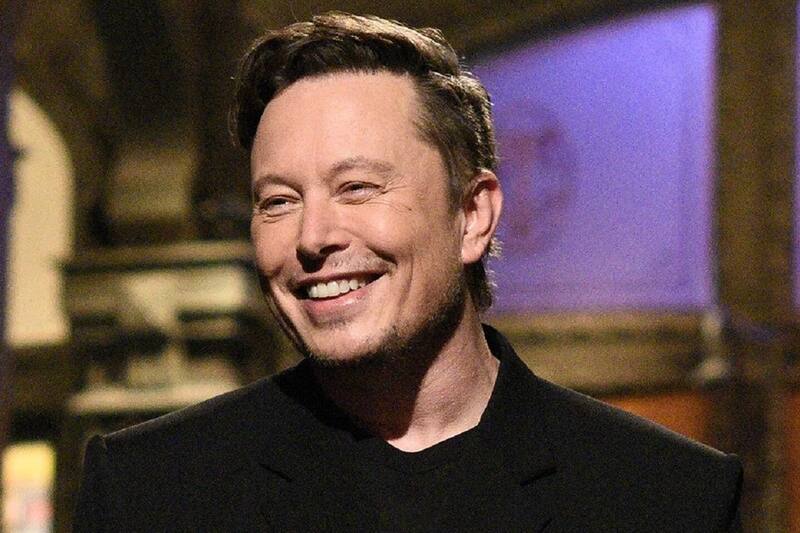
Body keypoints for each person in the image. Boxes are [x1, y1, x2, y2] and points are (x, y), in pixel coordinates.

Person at [74, 12, 742, 531]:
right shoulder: (150, 492)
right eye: (278, 201)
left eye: (358, 187)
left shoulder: (666, 498)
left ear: (472, 215)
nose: (313, 237)